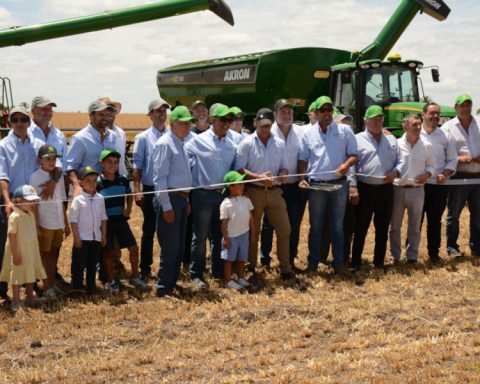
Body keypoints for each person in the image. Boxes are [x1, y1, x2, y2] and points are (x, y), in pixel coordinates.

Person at [298, 96, 357, 273]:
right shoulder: (307, 133)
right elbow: (303, 158)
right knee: (316, 226)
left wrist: (346, 165)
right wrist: (302, 178)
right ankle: (313, 263)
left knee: (337, 227)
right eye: (322, 110)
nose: (326, 113)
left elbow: (354, 155)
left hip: (339, 185)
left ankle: (338, 263)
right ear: (315, 113)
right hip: (316, 186)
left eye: (329, 110)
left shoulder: (345, 130)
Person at [234, 107, 294, 280]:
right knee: (253, 231)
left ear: (271, 124)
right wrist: (257, 177)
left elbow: (284, 167)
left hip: (275, 192)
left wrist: (283, 174)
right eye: (261, 125)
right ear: (255, 124)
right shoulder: (246, 143)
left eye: (267, 125)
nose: (265, 129)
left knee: (285, 229)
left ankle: (285, 268)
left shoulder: (279, 143)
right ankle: (250, 267)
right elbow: (239, 169)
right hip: (254, 192)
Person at [185, 104, 238, 288]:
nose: (226, 123)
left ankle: (216, 271)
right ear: (212, 120)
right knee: (199, 236)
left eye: (229, 120)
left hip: (222, 195)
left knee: (219, 235)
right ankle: (196, 274)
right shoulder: (197, 141)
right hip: (202, 195)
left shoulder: (232, 145)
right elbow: (185, 166)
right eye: (223, 119)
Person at [349, 106, 404, 269]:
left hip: (386, 189)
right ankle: (356, 262)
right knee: (361, 227)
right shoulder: (357, 139)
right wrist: (353, 186)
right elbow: (351, 165)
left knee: (382, 227)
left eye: (380, 118)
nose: (377, 121)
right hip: (365, 188)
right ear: (366, 120)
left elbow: (401, 160)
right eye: (374, 118)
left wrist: (396, 172)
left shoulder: (392, 139)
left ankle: (379, 261)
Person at [0, 106, 45, 303]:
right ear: (10, 122)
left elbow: (50, 164)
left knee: (31, 244)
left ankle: (30, 291)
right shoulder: (3, 145)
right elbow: (2, 176)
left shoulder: (38, 143)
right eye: (15, 119)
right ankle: (3, 291)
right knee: (6, 246)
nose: (19, 123)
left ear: (29, 122)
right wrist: (8, 201)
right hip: (13, 202)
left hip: (33, 202)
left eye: (23, 119)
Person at [260, 99, 307, 271]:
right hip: (274, 187)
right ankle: (265, 260)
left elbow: (319, 125)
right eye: (283, 112)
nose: (287, 115)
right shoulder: (267, 132)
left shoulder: (301, 132)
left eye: (289, 112)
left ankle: (289, 259)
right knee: (269, 225)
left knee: (293, 225)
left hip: (294, 186)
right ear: (275, 115)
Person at [152, 106, 195, 297]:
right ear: (173, 124)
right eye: (184, 124)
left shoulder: (180, 143)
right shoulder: (165, 144)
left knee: (178, 246)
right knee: (170, 246)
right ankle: (163, 287)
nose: (188, 127)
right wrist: (166, 205)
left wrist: (185, 200)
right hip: (169, 198)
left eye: (189, 124)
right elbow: (159, 179)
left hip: (179, 198)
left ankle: (171, 282)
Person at [29, 96, 69, 288]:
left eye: (50, 109)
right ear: (33, 111)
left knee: (53, 245)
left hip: (57, 191)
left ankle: (50, 279)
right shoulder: (26, 133)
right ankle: (33, 280)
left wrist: (54, 180)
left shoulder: (59, 134)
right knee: (36, 242)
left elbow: (64, 164)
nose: (47, 112)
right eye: (43, 109)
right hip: (35, 194)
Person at [97, 149, 150, 293]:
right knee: (108, 253)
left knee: (133, 248)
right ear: (101, 163)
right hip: (105, 222)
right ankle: (111, 280)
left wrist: (128, 209)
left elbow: (129, 194)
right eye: (108, 162)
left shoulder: (122, 180)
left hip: (120, 219)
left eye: (115, 162)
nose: (112, 165)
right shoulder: (97, 182)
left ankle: (135, 276)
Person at [133, 98, 170, 281]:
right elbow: (137, 166)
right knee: (149, 230)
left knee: (168, 230)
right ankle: (145, 269)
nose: (162, 114)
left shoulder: (174, 135)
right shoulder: (143, 138)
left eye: (164, 111)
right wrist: (137, 190)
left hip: (169, 189)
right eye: (158, 111)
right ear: (150, 115)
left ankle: (167, 267)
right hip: (150, 189)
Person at [389, 115, 435, 263]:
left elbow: (431, 165)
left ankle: (412, 256)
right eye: (414, 125)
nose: (418, 127)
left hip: (417, 190)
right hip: (398, 189)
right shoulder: (396, 144)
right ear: (405, 127)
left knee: (415, 226)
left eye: (419, 124)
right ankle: (395, 256)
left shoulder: (426, 145)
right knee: (395, 226)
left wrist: (427, 174)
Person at [441, 94, 480, 258]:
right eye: (461, 105)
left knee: (478, 215)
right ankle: (452, 248)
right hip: (458, 177)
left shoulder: (479, 123)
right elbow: (440, 153)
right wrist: (458, 159)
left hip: (478, 177)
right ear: (455, 108)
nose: (465, 108)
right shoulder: (447, 127)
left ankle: (477, 248)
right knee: (454, 215)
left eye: (467, 105)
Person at [29, 145, 70, 298]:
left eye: (54, 159)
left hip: (58, 222)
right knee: (44, 255)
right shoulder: (35, 178)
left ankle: (51, 284)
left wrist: (65, 223)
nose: (52, 162)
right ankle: (45, 286)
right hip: (45, 222)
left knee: (54, 254)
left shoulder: (57, 178)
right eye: (48, 159)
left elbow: (61, 201)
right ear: (40, 160)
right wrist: (37, 226)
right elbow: (34, 205)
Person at [0, 185, 49, 312]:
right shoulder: (14, 216)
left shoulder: (30, 214)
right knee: (17, 275)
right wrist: (15, 255)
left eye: (34, 200)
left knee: (30, 272)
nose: (33, 203)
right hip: (19, 251)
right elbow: (11, 236)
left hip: (31, 250)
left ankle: (30, 296)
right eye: (30, 200)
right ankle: (15, 302)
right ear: (19, 201)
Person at [421, 102, 457, 262]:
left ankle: (433, 254)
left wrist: (445, 173)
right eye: (432, 113)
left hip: (438, 185)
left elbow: (452, 159)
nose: (435, 116)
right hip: (418, 185)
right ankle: (411, 255)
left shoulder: (445, 136)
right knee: (416, 221)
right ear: (424, 115)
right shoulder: (414, 132)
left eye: (437, 113)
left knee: (435, 221)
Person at [65, 100, 117, 196]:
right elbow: (70, 167)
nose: (105, 118)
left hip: (109, 187)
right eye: (101, 115)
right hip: (88, 190)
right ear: (91, 115)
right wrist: (77, 186)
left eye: (107, 115)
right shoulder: (80, 138)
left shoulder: (112, 136)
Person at [69, 166, 107, 293]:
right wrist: (76, 237)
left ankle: (91, 286)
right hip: (82, 238)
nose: (92, 184)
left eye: (94, 180)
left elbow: (103, 218)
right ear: (81, 183)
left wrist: (103, 235)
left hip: (95, 237)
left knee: (92, 264)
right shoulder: (78, 200)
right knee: (79, 264)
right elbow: (73, 220)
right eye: (88, 181)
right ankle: (77, 287)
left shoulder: (100, 198)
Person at [220, 171, 255, 290]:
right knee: (229, 259)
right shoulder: (225, 204)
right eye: (239, 184)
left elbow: (251, 217)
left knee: (242, 258)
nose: (242, 186)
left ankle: (240, 278)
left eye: (243, 183)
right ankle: (228, 280)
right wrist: (225, 238)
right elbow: (224, 223)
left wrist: (253, 232)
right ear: (230, 187)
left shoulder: (246, 200)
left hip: (244, 234)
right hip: (231, 237)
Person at [98, 97, 128, 177]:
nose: (110, 113)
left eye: (112, 110)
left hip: (121, 177)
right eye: (106, 110)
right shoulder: (96, 133)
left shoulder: (121, 133)